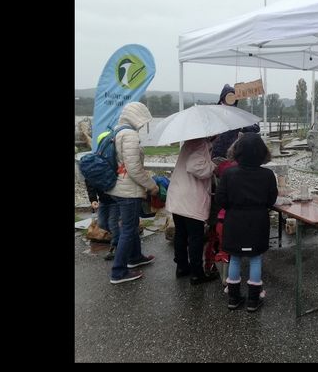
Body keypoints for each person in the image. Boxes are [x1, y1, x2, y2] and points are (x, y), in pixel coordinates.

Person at [216, 133, 277, 312]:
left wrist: (233, 207)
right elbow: (271, 199)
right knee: (256, 258)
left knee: (234, 257)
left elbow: (221, 199)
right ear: (262, 153)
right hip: (258, 221)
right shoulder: (267, 174)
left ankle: (233, 298)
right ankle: (253, 299)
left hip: (234, 220)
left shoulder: (228, 173)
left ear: (237, 151)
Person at [106, 102, 160, 284]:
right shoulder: (129, 135)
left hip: (119, 186)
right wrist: (152, 185)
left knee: (131, 225)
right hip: (128, 190)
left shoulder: (118, 131)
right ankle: (118, 271)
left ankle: (135, 257)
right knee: (128, 229)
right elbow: (134, 168)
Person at [164, 136, 219, 285]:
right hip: (190, 197)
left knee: (181, 233)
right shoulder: (201, 144)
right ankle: (197, 273)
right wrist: (213, 167)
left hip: (178, 195)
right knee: (196, 236)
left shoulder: (190, 143)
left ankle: (182, 267)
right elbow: (195, 167)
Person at [85, 130, 121, 260]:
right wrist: (93, 199)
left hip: (116, 199)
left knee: (112, 223)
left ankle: (115, 247)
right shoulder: (96, 160)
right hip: (104, 200)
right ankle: (124, 240)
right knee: (102, 223)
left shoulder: (116, 159)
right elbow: (89, 181)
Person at [211, 84, 260, 160]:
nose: (231, 99)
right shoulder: (213, 112)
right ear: (223, 97)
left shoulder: (238, 113)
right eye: (229, 96)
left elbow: (256, 128)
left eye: (233, 96)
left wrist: (241, 126)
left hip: (233, 152)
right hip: (215, 152)